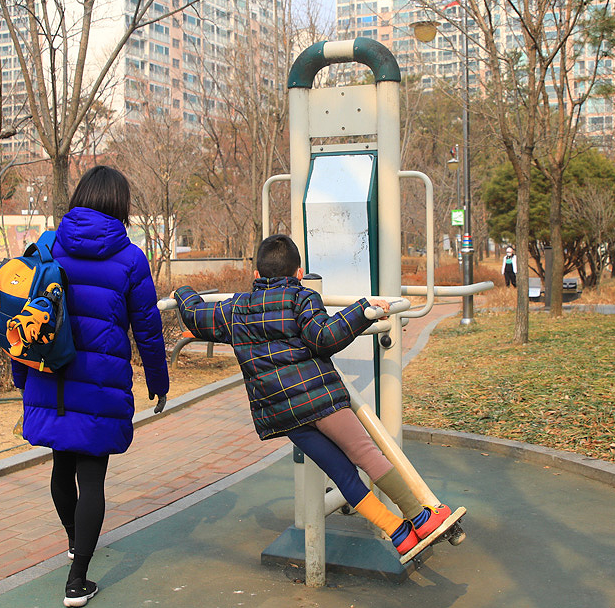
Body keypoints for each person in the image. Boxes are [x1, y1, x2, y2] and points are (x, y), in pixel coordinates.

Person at [173, 234, 452, 559]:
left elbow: (194, 314)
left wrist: (182, 292)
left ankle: (398, 532)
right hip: (320, 398)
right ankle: (420, 518)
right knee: (365, 454)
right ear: (300, 273)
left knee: (342, 474)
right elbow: (324, 338)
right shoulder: (301, 297)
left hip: (284, 414)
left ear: (256, 275)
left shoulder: (234, 308)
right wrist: (363, 309)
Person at [11, 166, 169, 608]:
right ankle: (77, 580)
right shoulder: (130, 259)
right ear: (120, 204)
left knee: (61, 467)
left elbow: (20, 314)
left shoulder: (48, 245)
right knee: (92, 477)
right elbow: (148, 330)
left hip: (52, 377)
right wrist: (158, 381)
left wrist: (21, 377)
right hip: (100, 383)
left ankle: (73, 542)